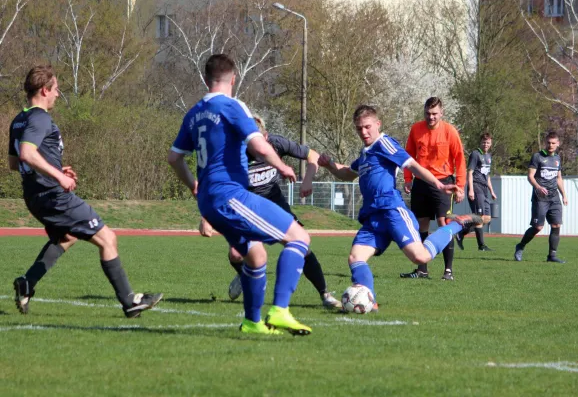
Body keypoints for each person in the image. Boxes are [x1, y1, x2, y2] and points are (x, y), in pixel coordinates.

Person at [167, 54, 312, 336]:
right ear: (233, 79)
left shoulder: (194, 113)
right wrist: (281, 165)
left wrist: (193, 185)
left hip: (208, 200)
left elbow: (174, 158)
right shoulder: (233, 107)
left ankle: (251, 322)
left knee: (255, 256)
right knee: (299, 237)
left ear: (206, 79)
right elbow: (258, 145)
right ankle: (280, 310)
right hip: (230, 195)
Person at [8, 65, 163, 317]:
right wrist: (58, 175)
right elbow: (26, 154)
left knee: (66, 238)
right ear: (45, 90)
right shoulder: (40, 117)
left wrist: (55, 167)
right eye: (56, 89)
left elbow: (15, 164)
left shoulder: (19, 120)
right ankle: (129, 300)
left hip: (35, 197)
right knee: (108, 238)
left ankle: (27, 282)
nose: (58, 95)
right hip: (54, 196)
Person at [318, 105, 481, 308]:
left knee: (420, 256)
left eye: (367, 127)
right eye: (359, 128)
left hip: (392, 211)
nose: (364, 132)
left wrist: (439, 184)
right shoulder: (365, 154)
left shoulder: (384, 143)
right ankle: (370, 302)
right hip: (373, 217)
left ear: (378, 124)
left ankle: (457, 223)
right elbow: (347, 174)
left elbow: (412, 165)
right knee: (355, 257)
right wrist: (330, 165)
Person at [199, 115, 342, 309]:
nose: (255, 146)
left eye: (258, 140)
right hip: (247, 206)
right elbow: (215, 184)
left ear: (265, 137)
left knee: (301, 244)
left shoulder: (277, 143)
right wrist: (205, 217)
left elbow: (312, 156)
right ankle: (246, 275)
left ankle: (325, 294)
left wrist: (308, 179)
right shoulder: (232, 153)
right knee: (235, 254)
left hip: (274, 203)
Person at [400, 97, 466, 281]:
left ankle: (448, 271)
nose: (431, 117)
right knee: (421, 225)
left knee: (444, 224)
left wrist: (460, 186)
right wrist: (407, 178)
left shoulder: (450, 132)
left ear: (441, 113)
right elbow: (408, 156)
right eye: (428, 114)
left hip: (443, 184)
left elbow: (460, 159)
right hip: (420, 183)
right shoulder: (416, 129)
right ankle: (422, 270)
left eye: (435, 114)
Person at [514, 132, 568, 263]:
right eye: (548, 142)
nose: (551, 145)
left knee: (556, 225)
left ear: (557, 144)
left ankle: (552, 256)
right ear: (545, 142)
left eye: (553, 143)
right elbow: (530, 176)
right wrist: (538, 187)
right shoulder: (537, 157)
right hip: (540, 198)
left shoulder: (557, 159)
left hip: (554, 198)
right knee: (538, 227)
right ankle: (520, 246)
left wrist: (564, 195)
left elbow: (558, 178)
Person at [455, 132, 497, 251]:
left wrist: (492, 191)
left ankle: (461, 232)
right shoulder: (475, 154)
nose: (486, 144)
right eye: (484, 142)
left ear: (491, 143)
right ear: (480, 142)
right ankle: (481, 246)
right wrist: (471, 190)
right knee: (479, 216)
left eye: (488, 142)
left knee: (487, 218)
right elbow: (470, 172)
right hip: (476, 187)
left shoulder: (488, 156)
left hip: (484, 189)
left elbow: (487, 175)